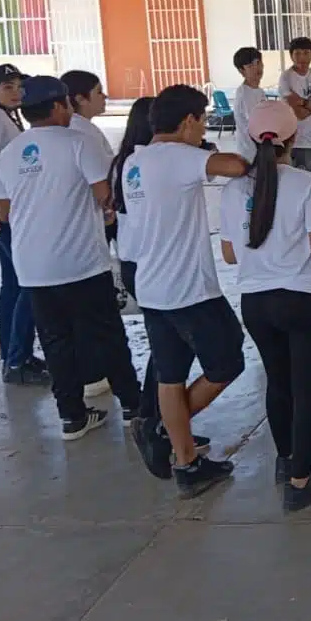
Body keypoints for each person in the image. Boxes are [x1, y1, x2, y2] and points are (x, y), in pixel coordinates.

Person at [0, 76, 143, 441]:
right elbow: (105, 196)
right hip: (81, 263)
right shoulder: (78, 143)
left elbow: (3, 210)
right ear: (60, 106)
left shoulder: (9, 155)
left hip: (33, 268)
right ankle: (133, 407)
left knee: (56, 341)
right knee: (107, 335)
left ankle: (72, 417)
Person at [121, 84, 249, 496]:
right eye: (203, 119)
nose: (204, 127)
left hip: (152, 287)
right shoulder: (178, 156)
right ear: (189, 119)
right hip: (189, 288)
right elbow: (235, 165)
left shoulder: (135, 163)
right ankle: (162, 430)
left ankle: (187, 460)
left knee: (170, 376)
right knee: (227, 362)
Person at [219, 100, 311, 512]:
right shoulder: (308, 184)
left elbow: (231, 255)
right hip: (306, 299)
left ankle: (285, 459)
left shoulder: (234, 189)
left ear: (253, 139)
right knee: (308, 391)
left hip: (256, 301)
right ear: (295, 138)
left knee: (278, 382)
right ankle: (301, 481)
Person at [109, 97, 211, 467]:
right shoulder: (160, 160)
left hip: (140, 262)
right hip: (155, 264)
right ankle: (159, 423)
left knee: (170, 356)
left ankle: (163, 424)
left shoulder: (129, 163)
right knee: (183, 355)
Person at [62, 69, 119, 400]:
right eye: (98, 92)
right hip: (88, 228)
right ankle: (93, 373)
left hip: (91, 225)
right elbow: (101, 186)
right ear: (79, 99)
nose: (104, 96)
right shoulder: (79, 135)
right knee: (90, 307)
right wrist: (109, 206)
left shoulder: (85, 130)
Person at [0, 63, 48, 387]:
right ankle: (17, 360)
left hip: (9, 209)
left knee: (14, 284)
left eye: (18, 86)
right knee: (30, 283)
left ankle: (16, 357)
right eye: (7, 87)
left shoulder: (8, 117)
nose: (16, 92)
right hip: (5, 212)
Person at [279, 36, 311, 178]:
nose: (302, 57)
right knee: (301, 185)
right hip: (299, 142)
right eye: (297, 53)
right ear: (291, 55)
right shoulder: (286, 78)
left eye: (306, 53)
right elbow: (300, 114)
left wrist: (303, 102)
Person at [232, 46, 268, 163]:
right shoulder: (244, 93)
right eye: (250, 66)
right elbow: (257, 123)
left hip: (261, 149)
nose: (256, 68)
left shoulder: (259, 91)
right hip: (250, 153)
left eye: (258, 63)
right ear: (242, 71)